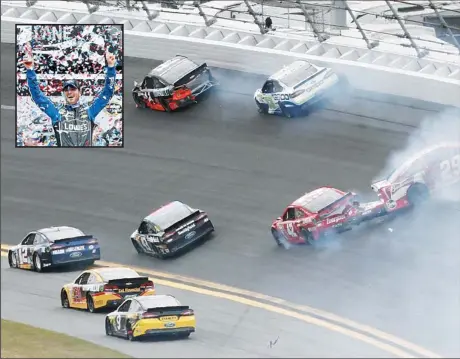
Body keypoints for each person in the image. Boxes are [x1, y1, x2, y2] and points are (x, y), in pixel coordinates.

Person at [22, 48, 117, 147]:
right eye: (66, 90)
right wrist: (30, 69)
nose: (69, 92)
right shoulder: (57, 111)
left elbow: (107, 93)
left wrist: (111, 67)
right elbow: (37, 96)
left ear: (79, 93)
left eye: (72, 89)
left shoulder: (90, 110)